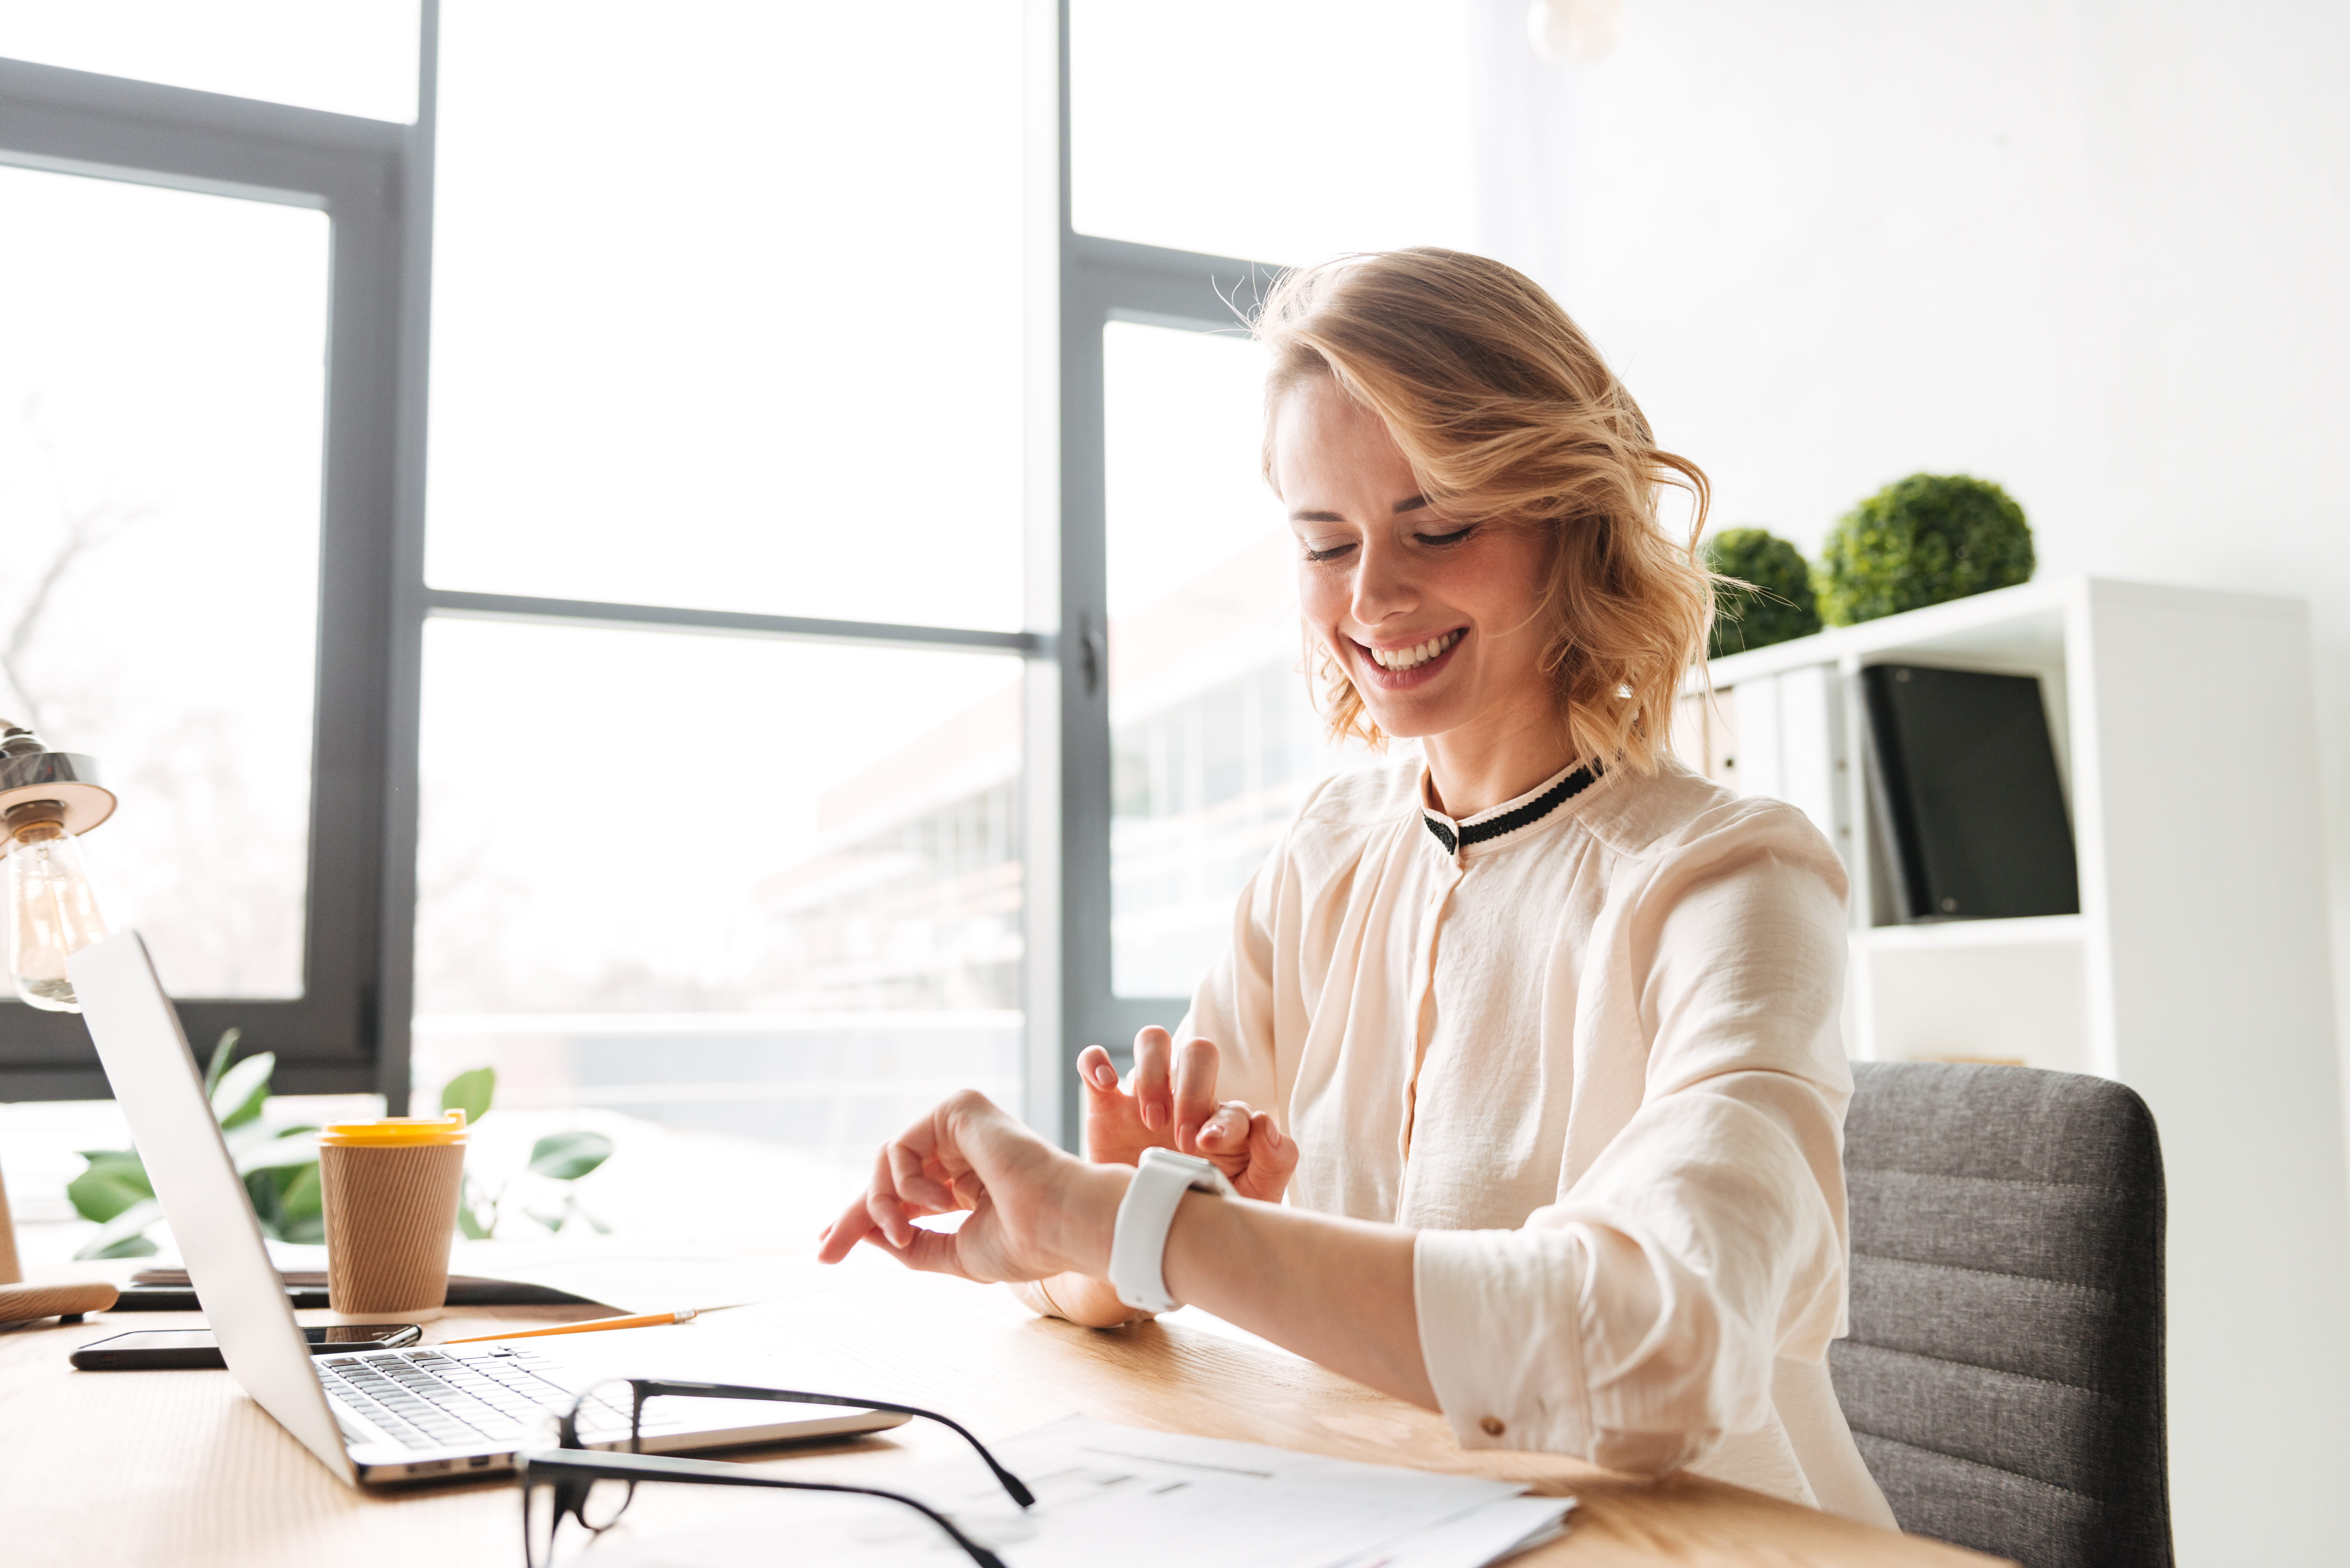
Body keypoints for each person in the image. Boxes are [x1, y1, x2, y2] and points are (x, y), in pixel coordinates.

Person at [819, 248, 1897, 1527]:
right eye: (1324, 542)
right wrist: (1098, 1230)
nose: (1373, 597)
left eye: (1437, 527)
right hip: (1382, 1523)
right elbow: (1139, 1248)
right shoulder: (1327, 857)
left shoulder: (1732, 881)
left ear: (1570, 517)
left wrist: (1133, 1222)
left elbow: (1656, 1343)